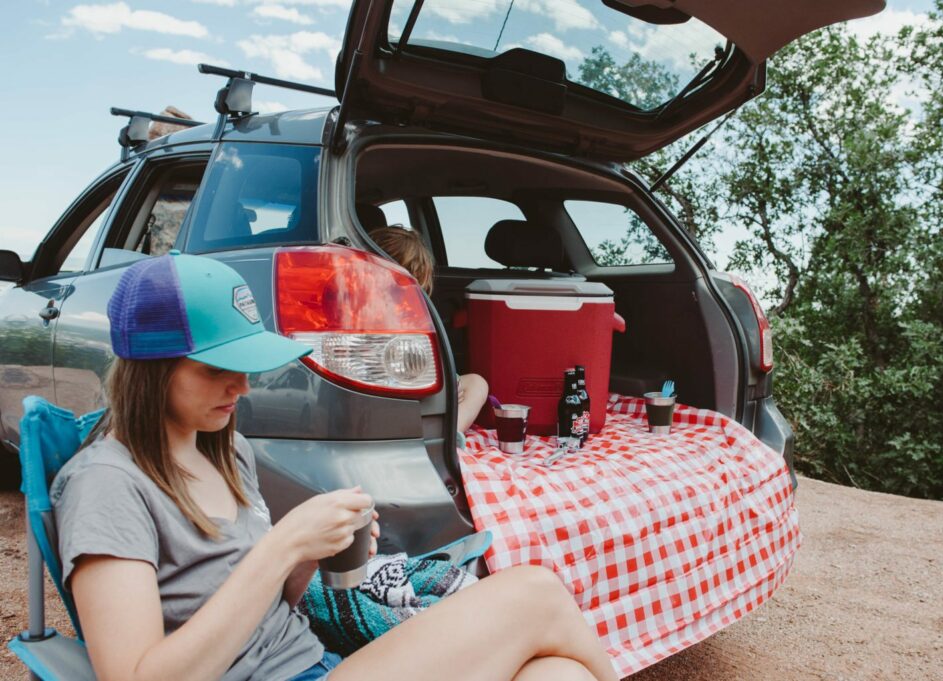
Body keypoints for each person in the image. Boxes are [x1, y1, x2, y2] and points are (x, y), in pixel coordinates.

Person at [52, 252, 616, 681]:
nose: (243, 386)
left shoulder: (224, 451)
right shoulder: (108, 483)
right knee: (534, 592)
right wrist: (281, 549)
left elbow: (266, 614)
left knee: (558, 675)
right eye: (220, 368)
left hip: (314, 665)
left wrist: (307, 559)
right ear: (151, 367)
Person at [369, 225, 488, 436]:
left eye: (412, 288)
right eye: (395, 286)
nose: (402, 296)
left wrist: (452, 383)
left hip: (423, 390)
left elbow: (430, 363)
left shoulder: (415, 316)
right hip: (390, 397)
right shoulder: (363, 312)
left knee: (477, 383)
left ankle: (452, 434)